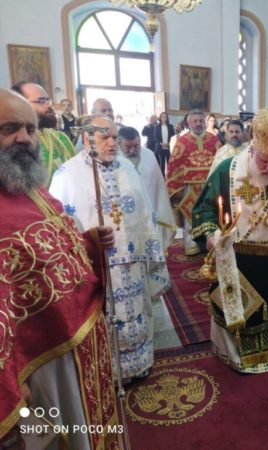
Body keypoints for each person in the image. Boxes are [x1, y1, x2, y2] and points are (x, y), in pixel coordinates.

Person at [0, 88, 119, 450]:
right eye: (9, 129)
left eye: (30, 129)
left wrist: (90, 243)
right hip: (39, 363)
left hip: (78, 345)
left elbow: (52, 252)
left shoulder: (31, 189)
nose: (25, 138)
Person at [49, 115, 170, 383]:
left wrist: (150, 250)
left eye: (115, 137)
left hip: (133, 262)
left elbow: (145, 212)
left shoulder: (127, 168)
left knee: (137, 312)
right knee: (104, 321)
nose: (112, 143)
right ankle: (107, 374)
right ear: (86, 139)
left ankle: (138, 364)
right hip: (97, 267)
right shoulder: (66, 175)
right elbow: (59, 227)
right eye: (105, 137)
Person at [191, 107, 268, 373]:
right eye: (264, 161)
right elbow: (204, 210)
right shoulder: (228, 170)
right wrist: (211, 236)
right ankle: (231, 354)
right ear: (253, 148)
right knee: (238, 309)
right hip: (236, 257)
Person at [167, 110, 219, 255]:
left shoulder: (214, 140)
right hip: (189, 187)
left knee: (210, 214)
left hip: (210, 186)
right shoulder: (182, 141)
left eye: (201, 121)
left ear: (204, 122)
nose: (198, 124)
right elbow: (174, 165)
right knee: (190, 215)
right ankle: (192, 245)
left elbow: (220, 161)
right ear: (189, 123)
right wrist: (177, 188)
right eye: (195, 121)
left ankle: (211, 243)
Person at [118, 126, 177, 249]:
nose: (133, 150)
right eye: (127, 147)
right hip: (125, 215)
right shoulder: (113, 159)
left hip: (149, 211)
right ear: (119, 144)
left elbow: (158, 185)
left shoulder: (149, 155)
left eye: (136, 146)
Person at [11, 82, 76, 186]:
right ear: (20, 105)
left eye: (47, 100)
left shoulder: (61, 138)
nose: (48, 105)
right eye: (41, 101)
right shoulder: (14, 143)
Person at [153, 112, 175, 176]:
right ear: (160, 118)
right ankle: (162, 178)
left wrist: (168, 143)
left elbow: (173, 136)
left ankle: (169, 177)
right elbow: (155, 137)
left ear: (167, 118)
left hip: (168, 147)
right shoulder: (157, 127)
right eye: (162, 116)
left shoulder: (170, 126)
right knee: (162, 164)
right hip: (160, 147)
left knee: (169, 163)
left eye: (165, 116)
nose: (164, 118)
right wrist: (161, 143)